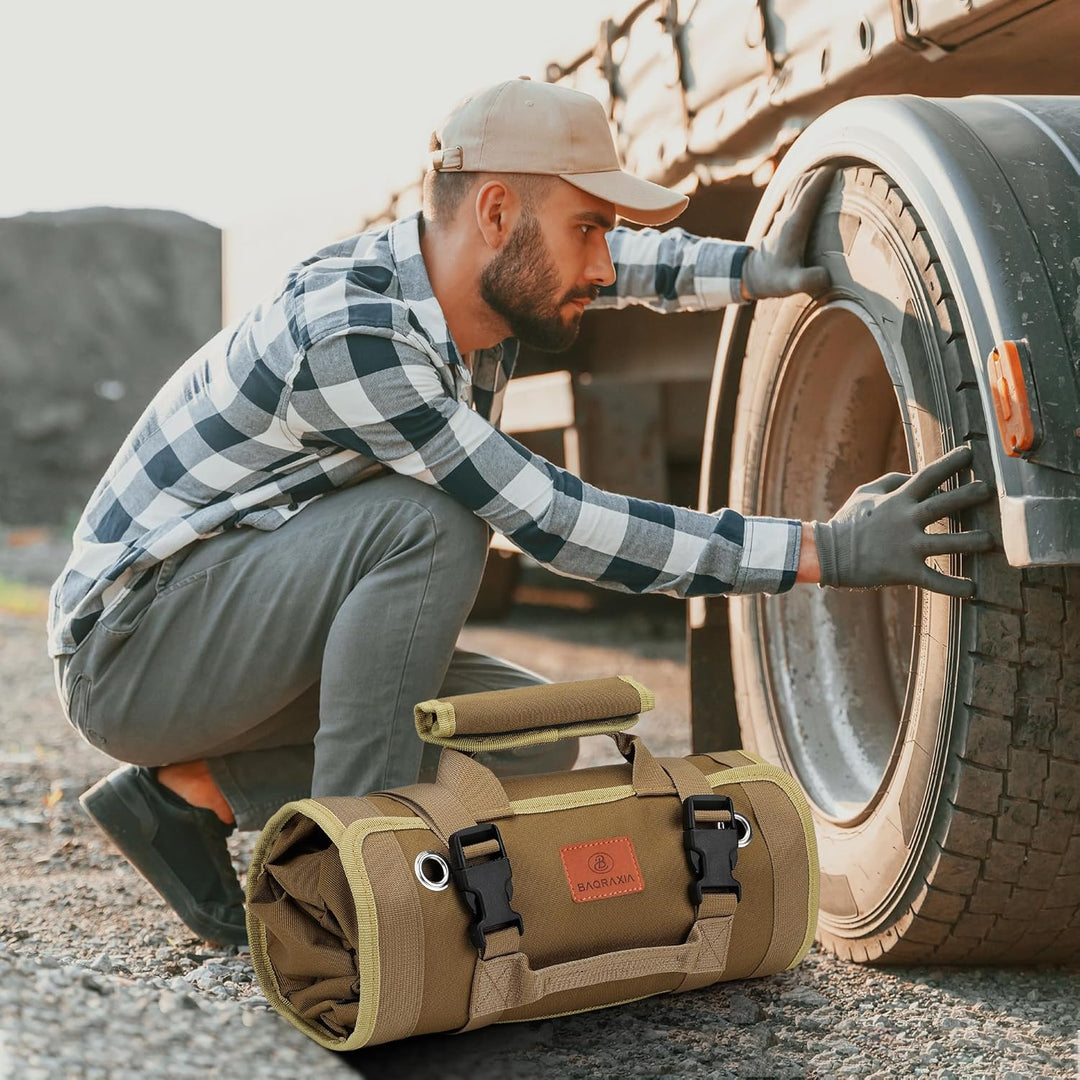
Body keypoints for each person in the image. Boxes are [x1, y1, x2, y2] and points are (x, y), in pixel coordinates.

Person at [47, 78, 993, 947]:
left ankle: (191, 797)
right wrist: (826, 549)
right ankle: (341, 897)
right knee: (434, 520)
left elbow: (626, 267)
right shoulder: (354, 336)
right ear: (497, 211)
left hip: (231, 627)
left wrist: (752, 268)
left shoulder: (473, 287)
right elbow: (557, 522)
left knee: (531, 734)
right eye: (587, 225)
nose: (599, 259)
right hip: (133, 647)